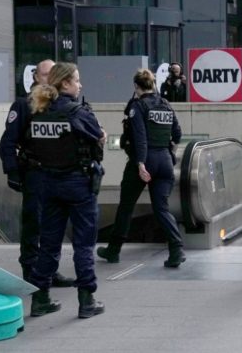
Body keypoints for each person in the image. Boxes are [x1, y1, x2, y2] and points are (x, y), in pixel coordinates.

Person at [23, 63, 106, 318]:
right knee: (83, 244)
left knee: (48, 244)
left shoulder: (38, 111)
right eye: (77, 80)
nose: (80, 85)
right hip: (78, 184)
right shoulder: (76, 112)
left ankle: (40, 298)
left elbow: (30, 146)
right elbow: (99, 136)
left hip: (49, 183)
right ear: (66, 83)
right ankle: (86, 300)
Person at [97, 69, 185, 268]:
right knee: (161, 208)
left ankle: (114, 250)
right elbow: (177, 134)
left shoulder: (138, 106)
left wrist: (140, 163)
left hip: (144, 161)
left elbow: (140, 137)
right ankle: (176, 249)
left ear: (136, 87)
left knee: (126, 206)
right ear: (153, 84)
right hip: (164, 161)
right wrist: (166, 149)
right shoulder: (166, 105)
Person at [0, 59, 74, 288]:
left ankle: (49, 269)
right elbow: (8, 141)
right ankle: (30, 271)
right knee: (34, 224)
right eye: (45, 75)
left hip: (57, 174)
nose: (49, 79)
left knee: (53, 225)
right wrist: (12, 171)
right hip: (35, 174)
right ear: (35, 78)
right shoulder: (24, 105)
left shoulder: (60, 105)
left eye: (53, 75)